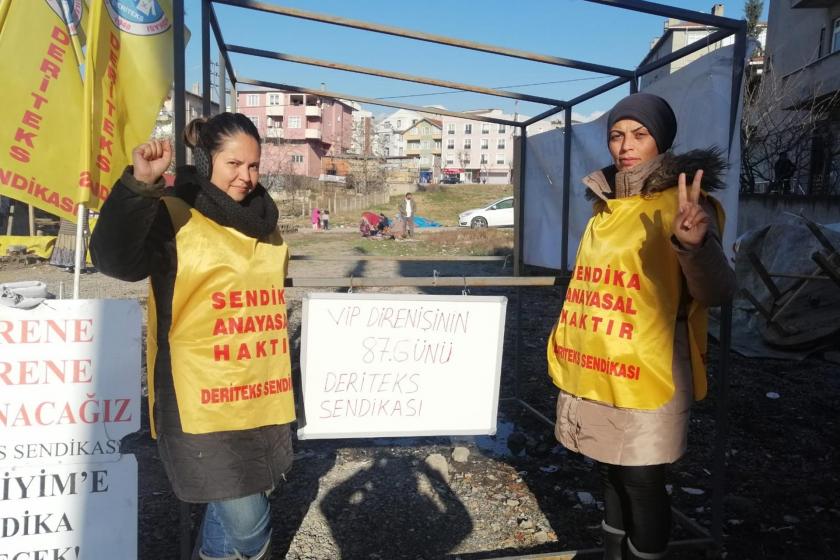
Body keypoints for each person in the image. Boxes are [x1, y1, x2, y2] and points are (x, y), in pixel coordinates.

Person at [90, 113, 295, 560]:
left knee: (246, 492)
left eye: (254, 166)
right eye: (234, 164)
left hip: (260, 388)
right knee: (247, 523)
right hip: (199, 397)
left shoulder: (265, 221)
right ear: (205, 161)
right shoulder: (173, 213)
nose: (247, 177)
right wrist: (140, 187)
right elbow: (115, 261)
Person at [546, 93, 735, 560]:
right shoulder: (605, 207)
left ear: (661, 141)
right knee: (608, 468)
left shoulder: (688, 205)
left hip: (651, 368)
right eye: (616, 135)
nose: (625, 145)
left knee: (642, 477)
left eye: (639, 134)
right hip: (597, 363)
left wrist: (695, 245)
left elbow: (717, 291)